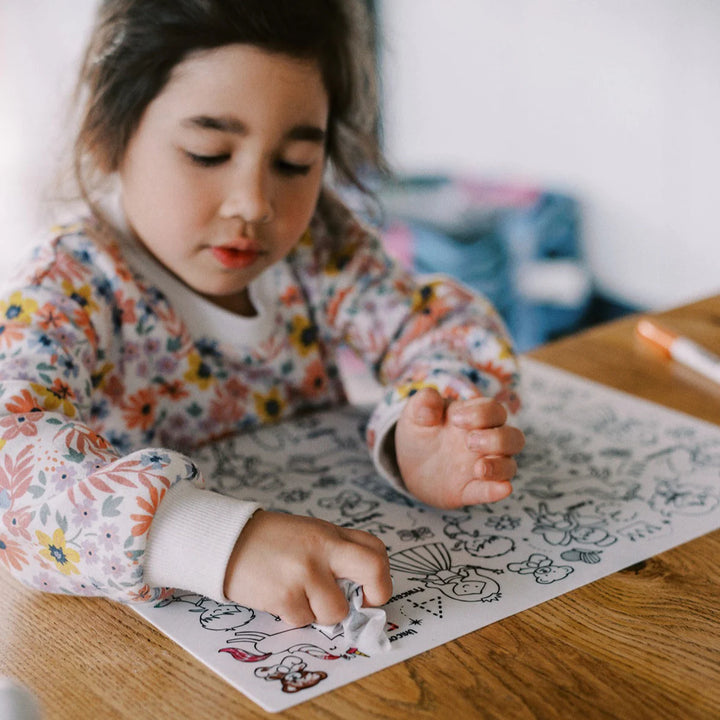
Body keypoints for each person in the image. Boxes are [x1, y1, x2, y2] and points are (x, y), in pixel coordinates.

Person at [0, 0, 525, 629]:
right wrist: (216, 543)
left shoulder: (320, 244)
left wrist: (423, 422)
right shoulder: (67, 287)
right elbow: (12, 465)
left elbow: (444, 329)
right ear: (108, 137)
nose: (254, 203)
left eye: (294, 164)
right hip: (136, 645)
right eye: (207, 152)